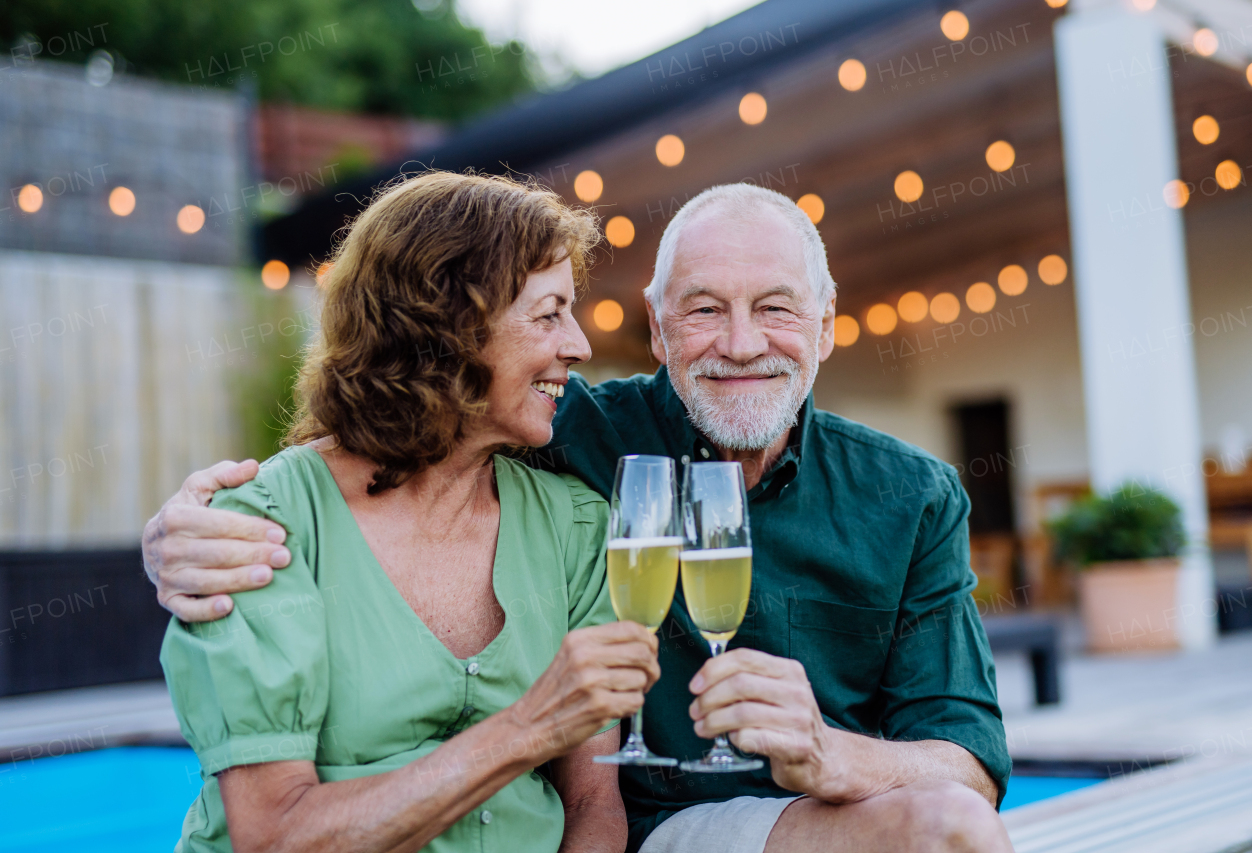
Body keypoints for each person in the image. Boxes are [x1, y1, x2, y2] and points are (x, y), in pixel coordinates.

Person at [146, 182, 1015, 853]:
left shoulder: (910, 496)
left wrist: (831, 751)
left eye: (777, 307)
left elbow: (970, 760)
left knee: (951, 824)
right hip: (670, 826)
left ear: (826, 326)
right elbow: (400, 436)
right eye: (706, 308)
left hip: (809, 815)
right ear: (661, 326)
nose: (743, 343)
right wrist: (179, 532)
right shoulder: (575, 437)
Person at [156, 172, 664, 853]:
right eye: (548, 314)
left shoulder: (574, 524)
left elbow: (592, 801)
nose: (578, 344)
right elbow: (275, 834)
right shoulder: (262, 530)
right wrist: (528, 727)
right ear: (448, 326)